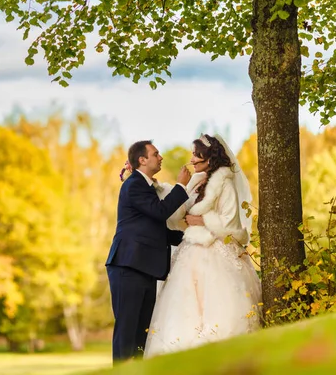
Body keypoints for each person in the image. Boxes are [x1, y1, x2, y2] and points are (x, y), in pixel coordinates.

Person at [143, 134, 262, 358]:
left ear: (209, 157)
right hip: (190, 252)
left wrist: (204, 221)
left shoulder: (224, 183)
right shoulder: (196, 181)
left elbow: (232, 225)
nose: (193, 158)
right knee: (184, 308)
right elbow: (180, 211)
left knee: (218, 308)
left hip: (216, 252)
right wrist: (173, 189)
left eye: (197, 154)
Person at [106, 140, 191, 364]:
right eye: (155, 153)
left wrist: (193, 238)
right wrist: (181, 186)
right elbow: (160, 212)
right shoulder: (134, 184)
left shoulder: (145, 186)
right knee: (126, 332)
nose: (160, 157)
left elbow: (155, 230)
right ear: (142, 160)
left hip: (145, 267)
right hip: (127, 266)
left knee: (141, 334)